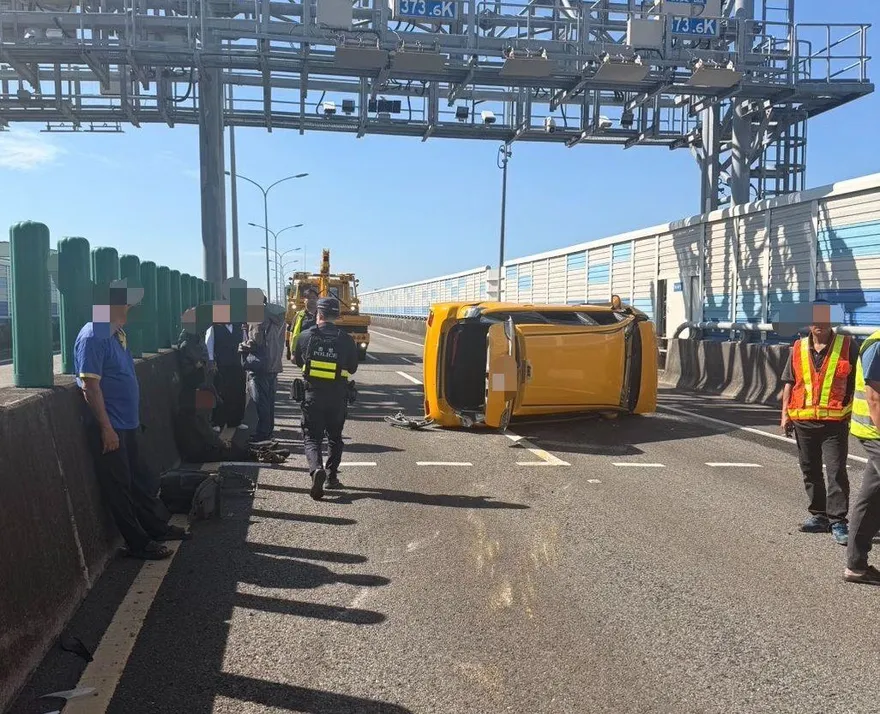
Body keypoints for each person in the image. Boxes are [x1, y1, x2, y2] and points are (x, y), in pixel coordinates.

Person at [75, 280, 189, 561]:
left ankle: (156, 528)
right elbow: (89, 387)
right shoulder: (93, 336)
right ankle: (137, 543)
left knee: (141, 481)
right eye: (125, 303)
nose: (129, 308)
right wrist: (106, 428)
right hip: (111, 427)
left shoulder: (116, 334)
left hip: (127, 423)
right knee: (119, 487)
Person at [781, 317, 858, 545]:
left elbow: (860, 380)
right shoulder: (798, 347)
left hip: (834, 422)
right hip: (803, 420)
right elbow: (789, 381)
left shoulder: (847, 346)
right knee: (810, 469)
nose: (819, 324)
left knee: (836, 471)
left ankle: (838, 521)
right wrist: (784, 414)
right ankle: (819, 515)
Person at [294, 297, 359, 500]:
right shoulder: (346, 339)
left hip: (312, 395)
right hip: (337, 396)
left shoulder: (305, 336)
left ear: (318, 314)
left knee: (312, 437)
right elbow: (353, 368)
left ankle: (316, 469)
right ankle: (331, 476)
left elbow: (297, 360)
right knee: (335, 437)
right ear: (336, 316)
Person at [845, 329, 880, 585]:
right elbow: (874, 398)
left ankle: (856, 567)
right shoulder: (877, 344)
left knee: (871, 496)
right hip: (874, 430)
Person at [242, 300, 286, 445]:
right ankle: (268, 431)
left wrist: (243, 346)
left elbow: (255, 341)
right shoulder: (278, 317)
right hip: (274, 364)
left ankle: (262, 434)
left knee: (261, 401)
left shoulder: (257, 316)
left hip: (260, 364)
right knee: (269, 401)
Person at [206, 321, 248, 431]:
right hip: (221, 365)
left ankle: (235, 420)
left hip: (238, 364)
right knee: (220, 392)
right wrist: (211, 361)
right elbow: (209, 344)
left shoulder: (240, 326)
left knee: (238, 391)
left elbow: (245, 341)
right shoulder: (214, 327)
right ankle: (217, 422)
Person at [288, 287, 319, 360]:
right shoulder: (299, 315)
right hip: (303, 352)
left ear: (318, 299)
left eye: (314, 298)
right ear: (304, 300)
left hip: (318, 352)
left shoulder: (322, 315)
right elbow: (293, 335)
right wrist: (293, 353)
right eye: (308, 298)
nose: (311, 300)